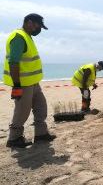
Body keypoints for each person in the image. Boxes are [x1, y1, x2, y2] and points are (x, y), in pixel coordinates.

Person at [3, 13, 56, 148]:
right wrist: (16, 86)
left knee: (41, 107)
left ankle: (41, 134)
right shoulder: (19, 37)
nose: (38, 30)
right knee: (22, 112)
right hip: (23, 84)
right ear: (29, 22)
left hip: (34, 83)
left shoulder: (27, 37)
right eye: (38, 26)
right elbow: (13, 63)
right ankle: (14, 139)